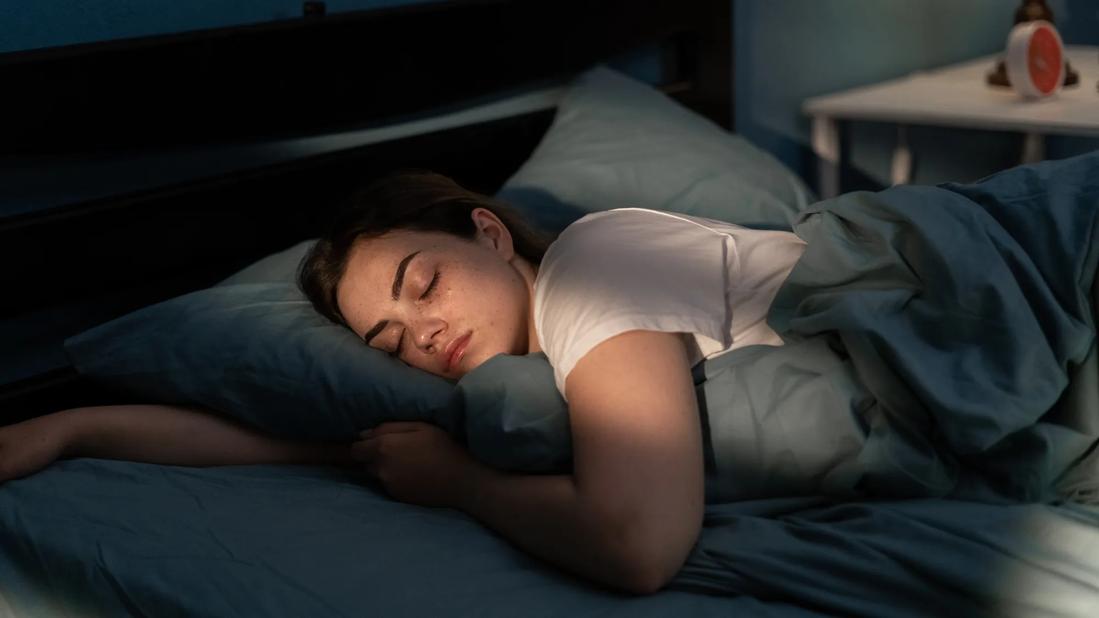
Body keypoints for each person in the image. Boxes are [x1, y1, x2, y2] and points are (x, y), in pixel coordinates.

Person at [0, 170, 807, 595]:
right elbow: (304, 443)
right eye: (390, 341)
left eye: (424, 285)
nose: (422, 333)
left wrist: (461, 486)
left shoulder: (589, 269)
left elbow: (637, 547)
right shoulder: (504, 388)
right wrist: (72, 429)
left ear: (487, 234)